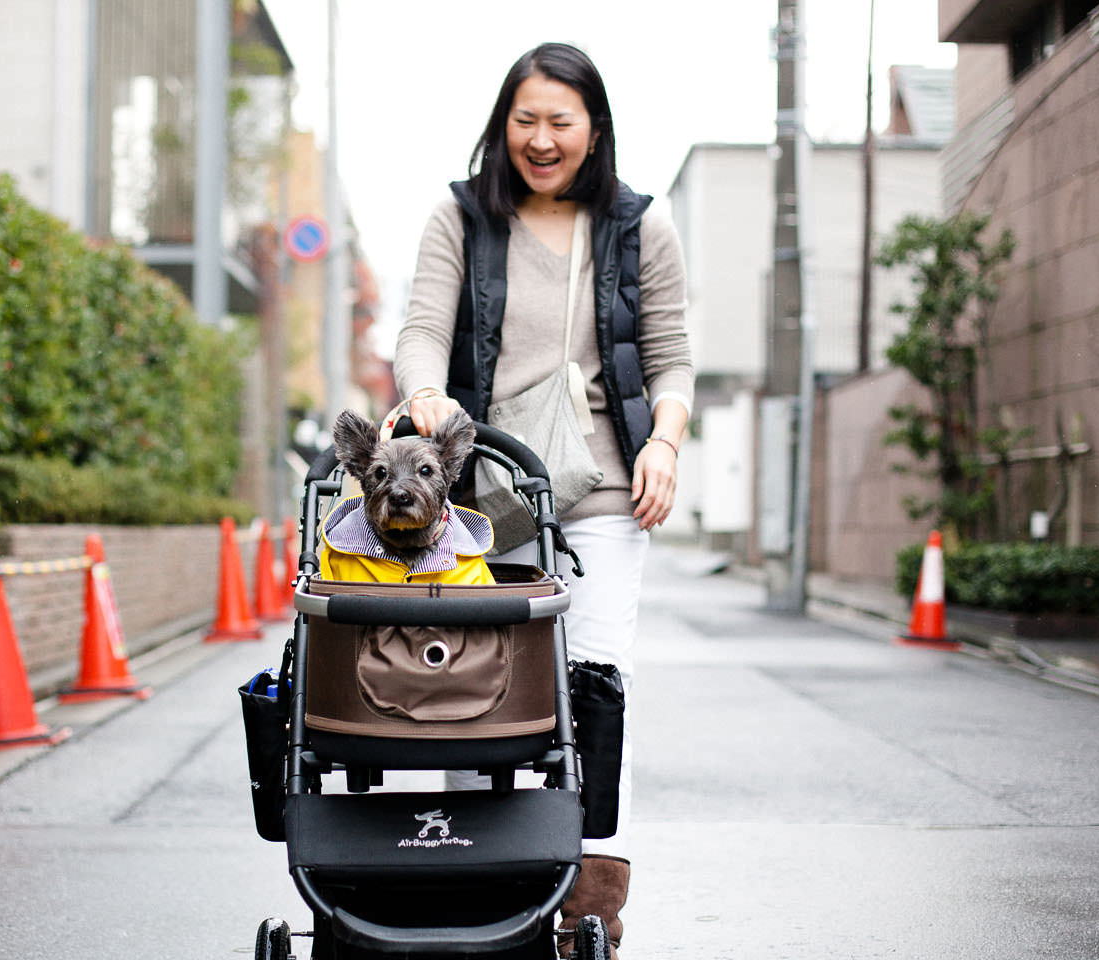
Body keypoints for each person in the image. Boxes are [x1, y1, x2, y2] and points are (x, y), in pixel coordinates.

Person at [393, 42, 694, 959]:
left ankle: (591, 901)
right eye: (525, 119)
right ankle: (477, 872)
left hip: (604, 492)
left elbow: (674, 354)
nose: (541, 138)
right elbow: (421, 331)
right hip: (484, 493)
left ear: (593, 128)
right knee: (465, 684)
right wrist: (426, 397)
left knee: (595, 688)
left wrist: (667, 445)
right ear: (503, 125)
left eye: (560, 121)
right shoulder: (461, 216)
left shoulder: (642, 226)